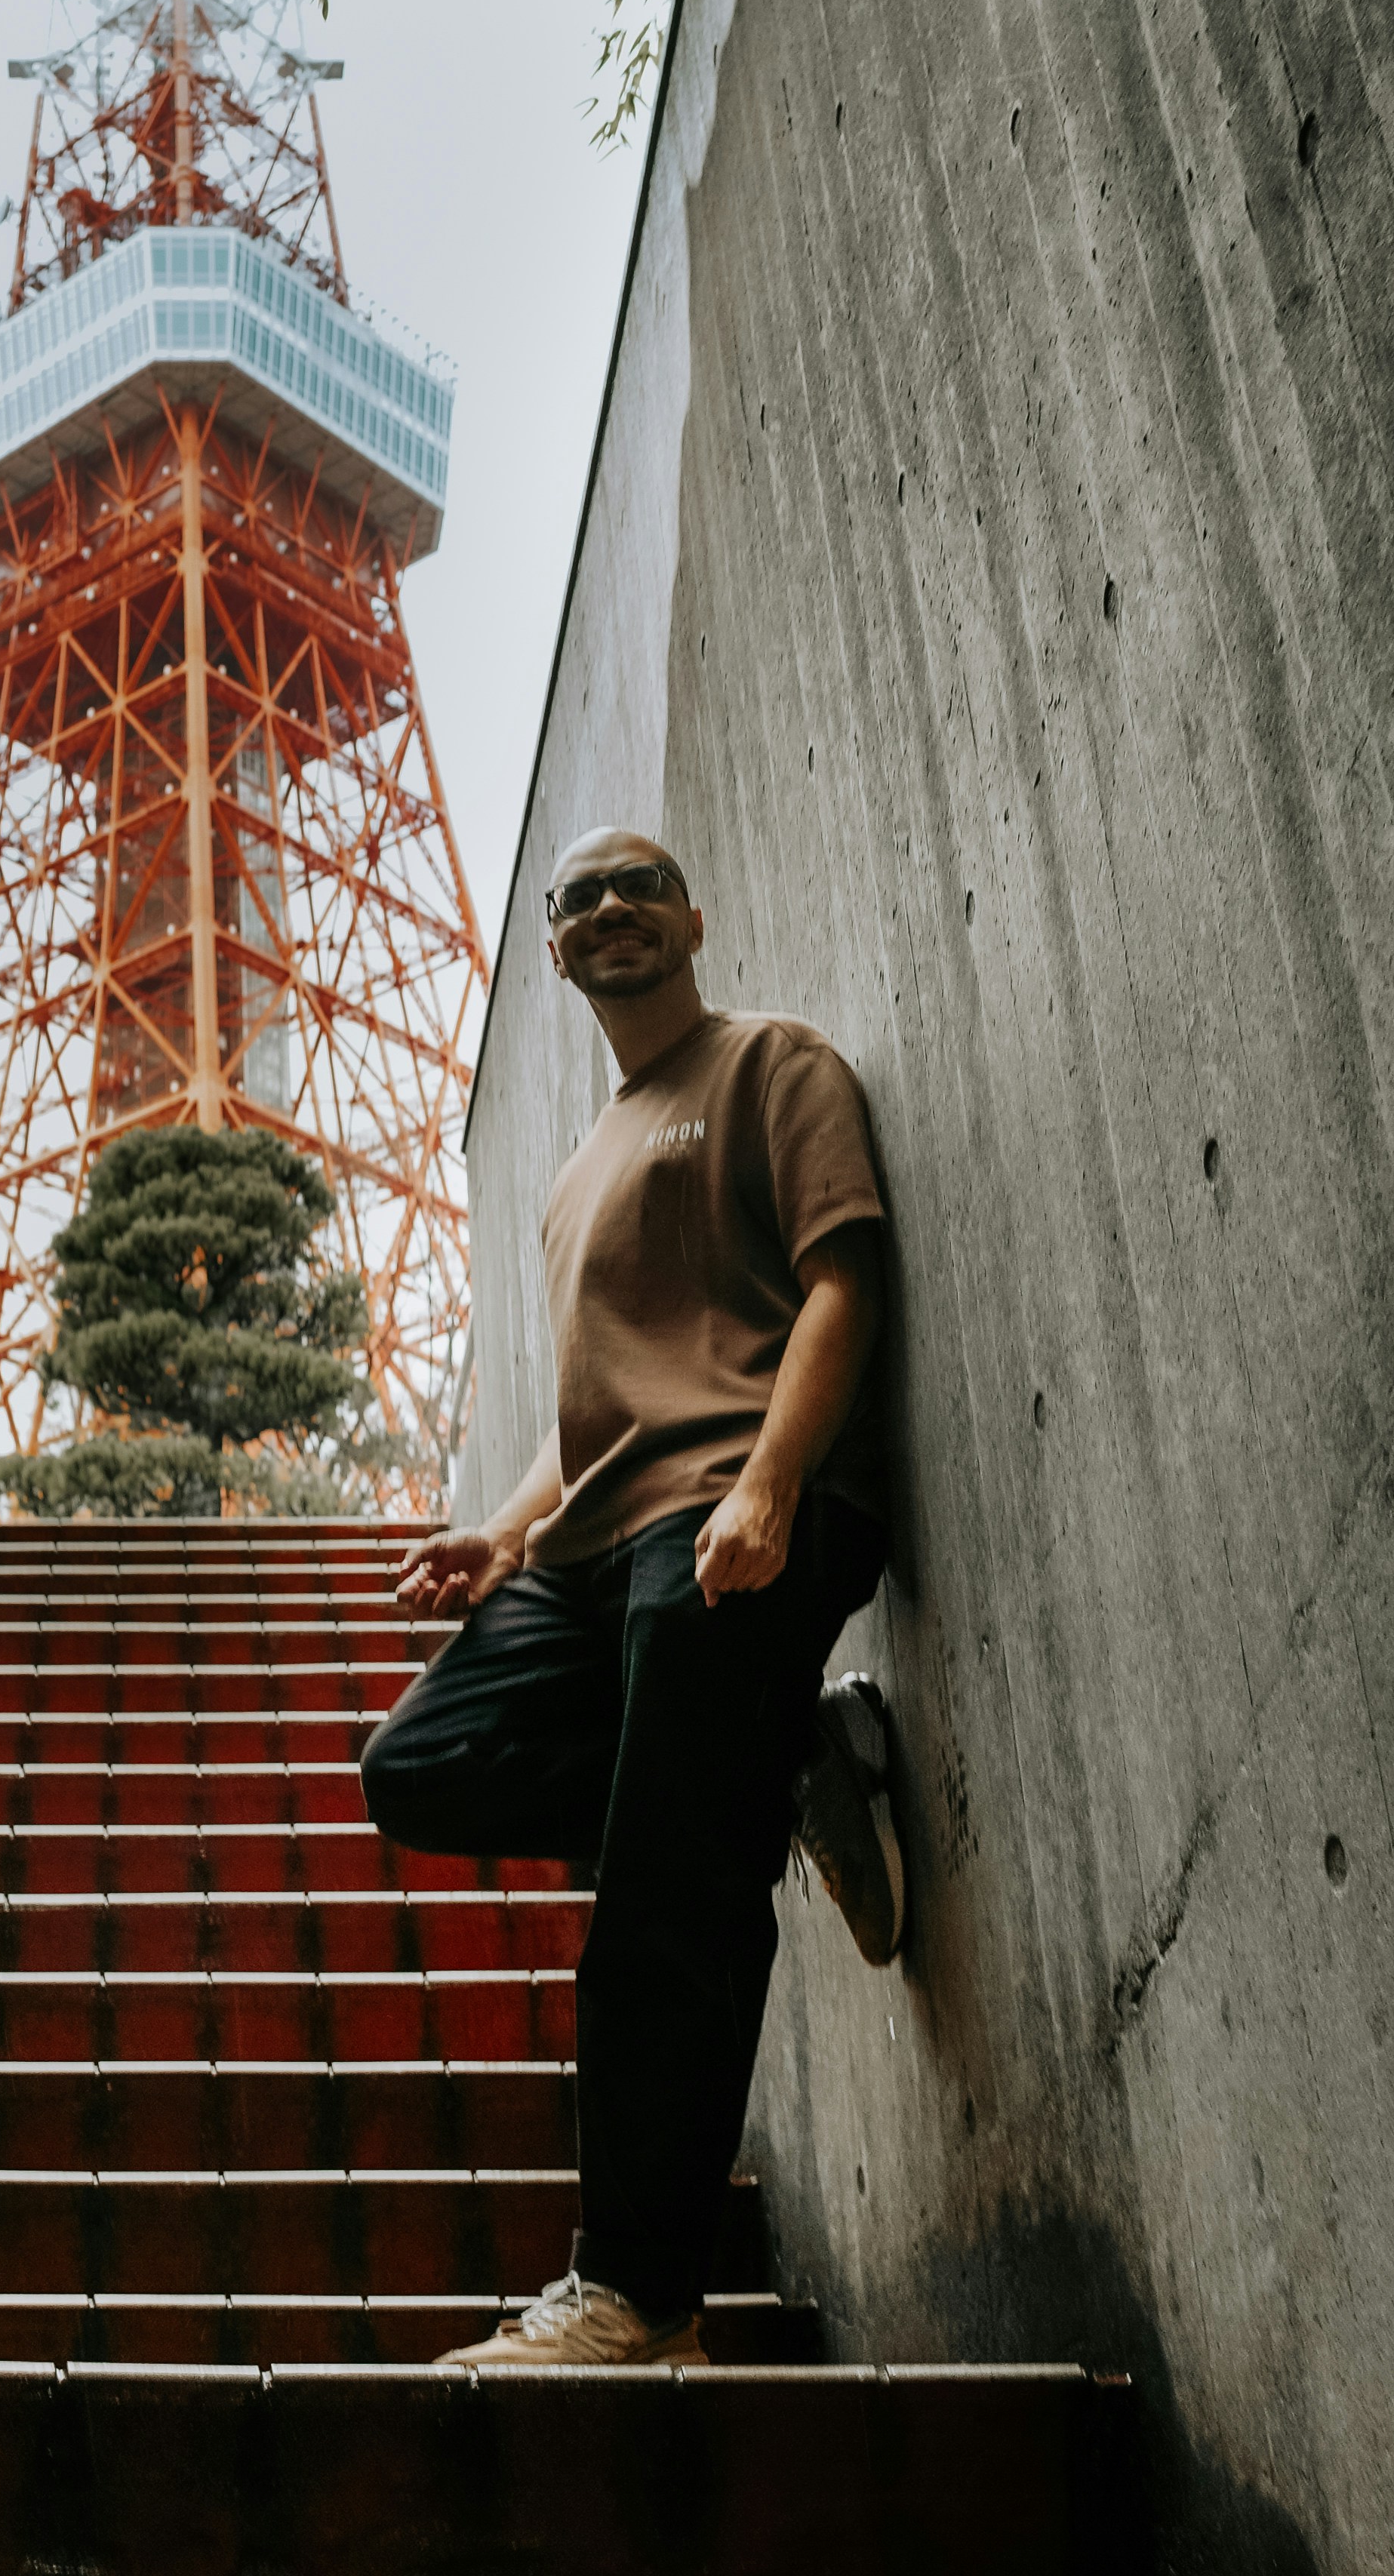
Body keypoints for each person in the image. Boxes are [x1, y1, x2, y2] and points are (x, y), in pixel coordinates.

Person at [359, 825, 909, 2368]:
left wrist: (772, 1485)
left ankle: (640, 2296)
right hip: (596, 1544)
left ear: (692, 914)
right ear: (554, 947)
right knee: (417, 1759)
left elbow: (842, 1282)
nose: (608, 908)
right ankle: (771, 1767)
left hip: (735, 1515)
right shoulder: (574, 1168)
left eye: (636, 884)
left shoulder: (772, 1066)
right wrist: (503, 1532)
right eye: (578, 896)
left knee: (662, 1889)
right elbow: (589, 1409)